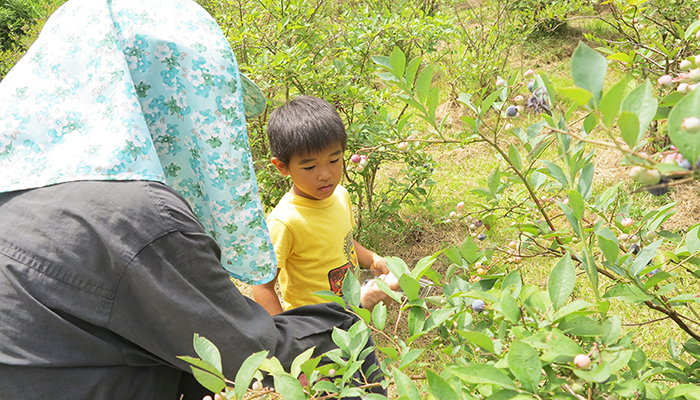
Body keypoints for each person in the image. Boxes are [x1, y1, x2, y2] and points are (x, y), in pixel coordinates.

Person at [0, 0, 384, 398]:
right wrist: (347, 319)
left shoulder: (19, 188)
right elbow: (247, 353)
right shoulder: (131, 214)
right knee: (339, 334)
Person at [252, 96, 399, 316]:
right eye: (310, 167)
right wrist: (283, 333)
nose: (326, 175)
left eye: (334, 160)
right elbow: (262, 286)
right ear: (282, 167)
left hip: (354, 312)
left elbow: (345, 241)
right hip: (314, 327)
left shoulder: (340, 195)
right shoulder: (284, 222)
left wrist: (372, 258)